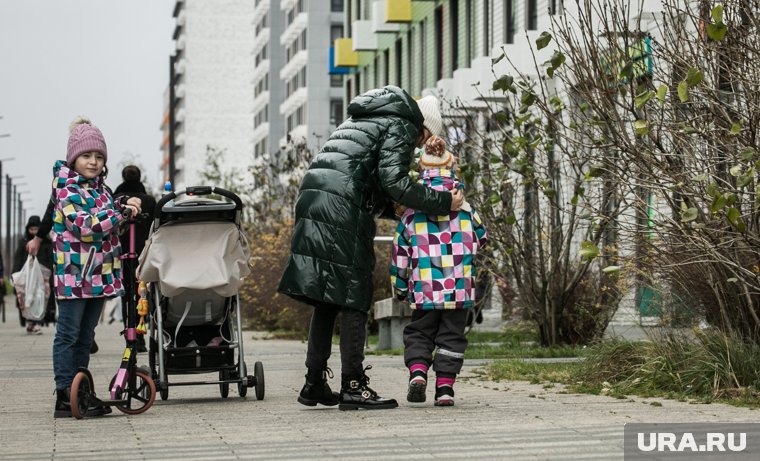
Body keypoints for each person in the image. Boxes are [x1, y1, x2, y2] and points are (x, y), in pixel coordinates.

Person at [278, 87, 464, 411]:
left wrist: (396, 211)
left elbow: (368, 176)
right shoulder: (403, 122)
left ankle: (314, 384)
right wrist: (444, 202)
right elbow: (394, 181)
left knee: (327, 299)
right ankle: (353, 387)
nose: (418, 146)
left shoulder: (374, 115)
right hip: (342, 205)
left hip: (317, 194)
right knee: (354, 294)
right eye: (422, 140)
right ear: (424, 127)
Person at [50, 117, 141, 418]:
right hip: (75, 274)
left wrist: (123, 203)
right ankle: (65, 393)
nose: (93, 162)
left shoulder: (100, 189)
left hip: (99, 275)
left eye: (99, 157)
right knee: (69, 333)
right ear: (74, 157)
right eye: (87, 156)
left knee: (86, 337)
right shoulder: (66, 188)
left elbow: (109, 210)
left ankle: (81, 392)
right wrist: (118, 212)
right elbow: (87, 226)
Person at [390, 135, 488, 406]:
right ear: (451, 167)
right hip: (458, 287)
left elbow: (400, 253)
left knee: (419, 331)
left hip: (424, 287)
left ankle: (418, 373)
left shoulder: (411, 214)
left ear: (422, 170)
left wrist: (400, 287)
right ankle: (445, 389)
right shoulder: (466, 210)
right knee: (452, 336)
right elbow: (482, 237)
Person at [113, 165, 156, 352]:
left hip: (121, 254)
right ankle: (143, 335)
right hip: (144, 255)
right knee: (144, 294)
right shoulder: (149, 201)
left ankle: (131, 337)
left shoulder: (115, 200)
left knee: (126, 296)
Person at [13, 215, 55, 334]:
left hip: (43, 277)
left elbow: (51, 260)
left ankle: (35, 322)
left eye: (36, 229)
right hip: (27, 277)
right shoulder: (24, 243)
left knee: (40, 299)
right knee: (28, 298)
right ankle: (31, 322)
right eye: (32, 229)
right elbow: (18, 259)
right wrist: (15, 273)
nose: (34, 232)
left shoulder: (46, 243)